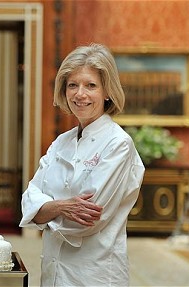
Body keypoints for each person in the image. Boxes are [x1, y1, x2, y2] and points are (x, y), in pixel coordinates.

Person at [20, 43, 145, 286]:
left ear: (107, 91)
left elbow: (88, 219)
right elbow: (28, 201)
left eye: (91, 85)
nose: (80, 94)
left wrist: (47, 209)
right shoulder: (61, 142)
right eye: (72, 85)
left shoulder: (118, 143)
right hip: (53, 270)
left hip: (95, 274)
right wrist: (62, 206)